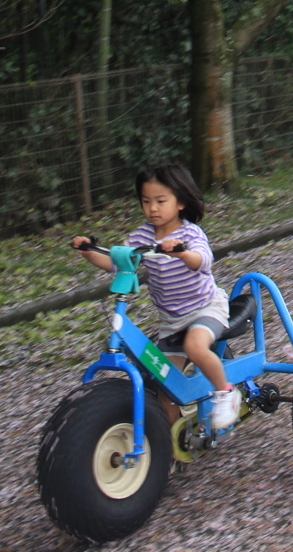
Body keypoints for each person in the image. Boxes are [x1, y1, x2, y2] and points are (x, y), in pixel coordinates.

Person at [72, 161, 240, 430]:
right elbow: (119, 263)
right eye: (146, 201)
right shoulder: (141, 235)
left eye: (161, 201)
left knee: (195, 347)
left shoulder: (189, 233)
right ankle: (166, 453)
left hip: (206, 308)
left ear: (181, 202)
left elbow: (202, 260)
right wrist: (89, 251)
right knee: (167, 390)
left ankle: (226, 392)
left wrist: (183, 253)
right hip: (172, 321)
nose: (152, 208)